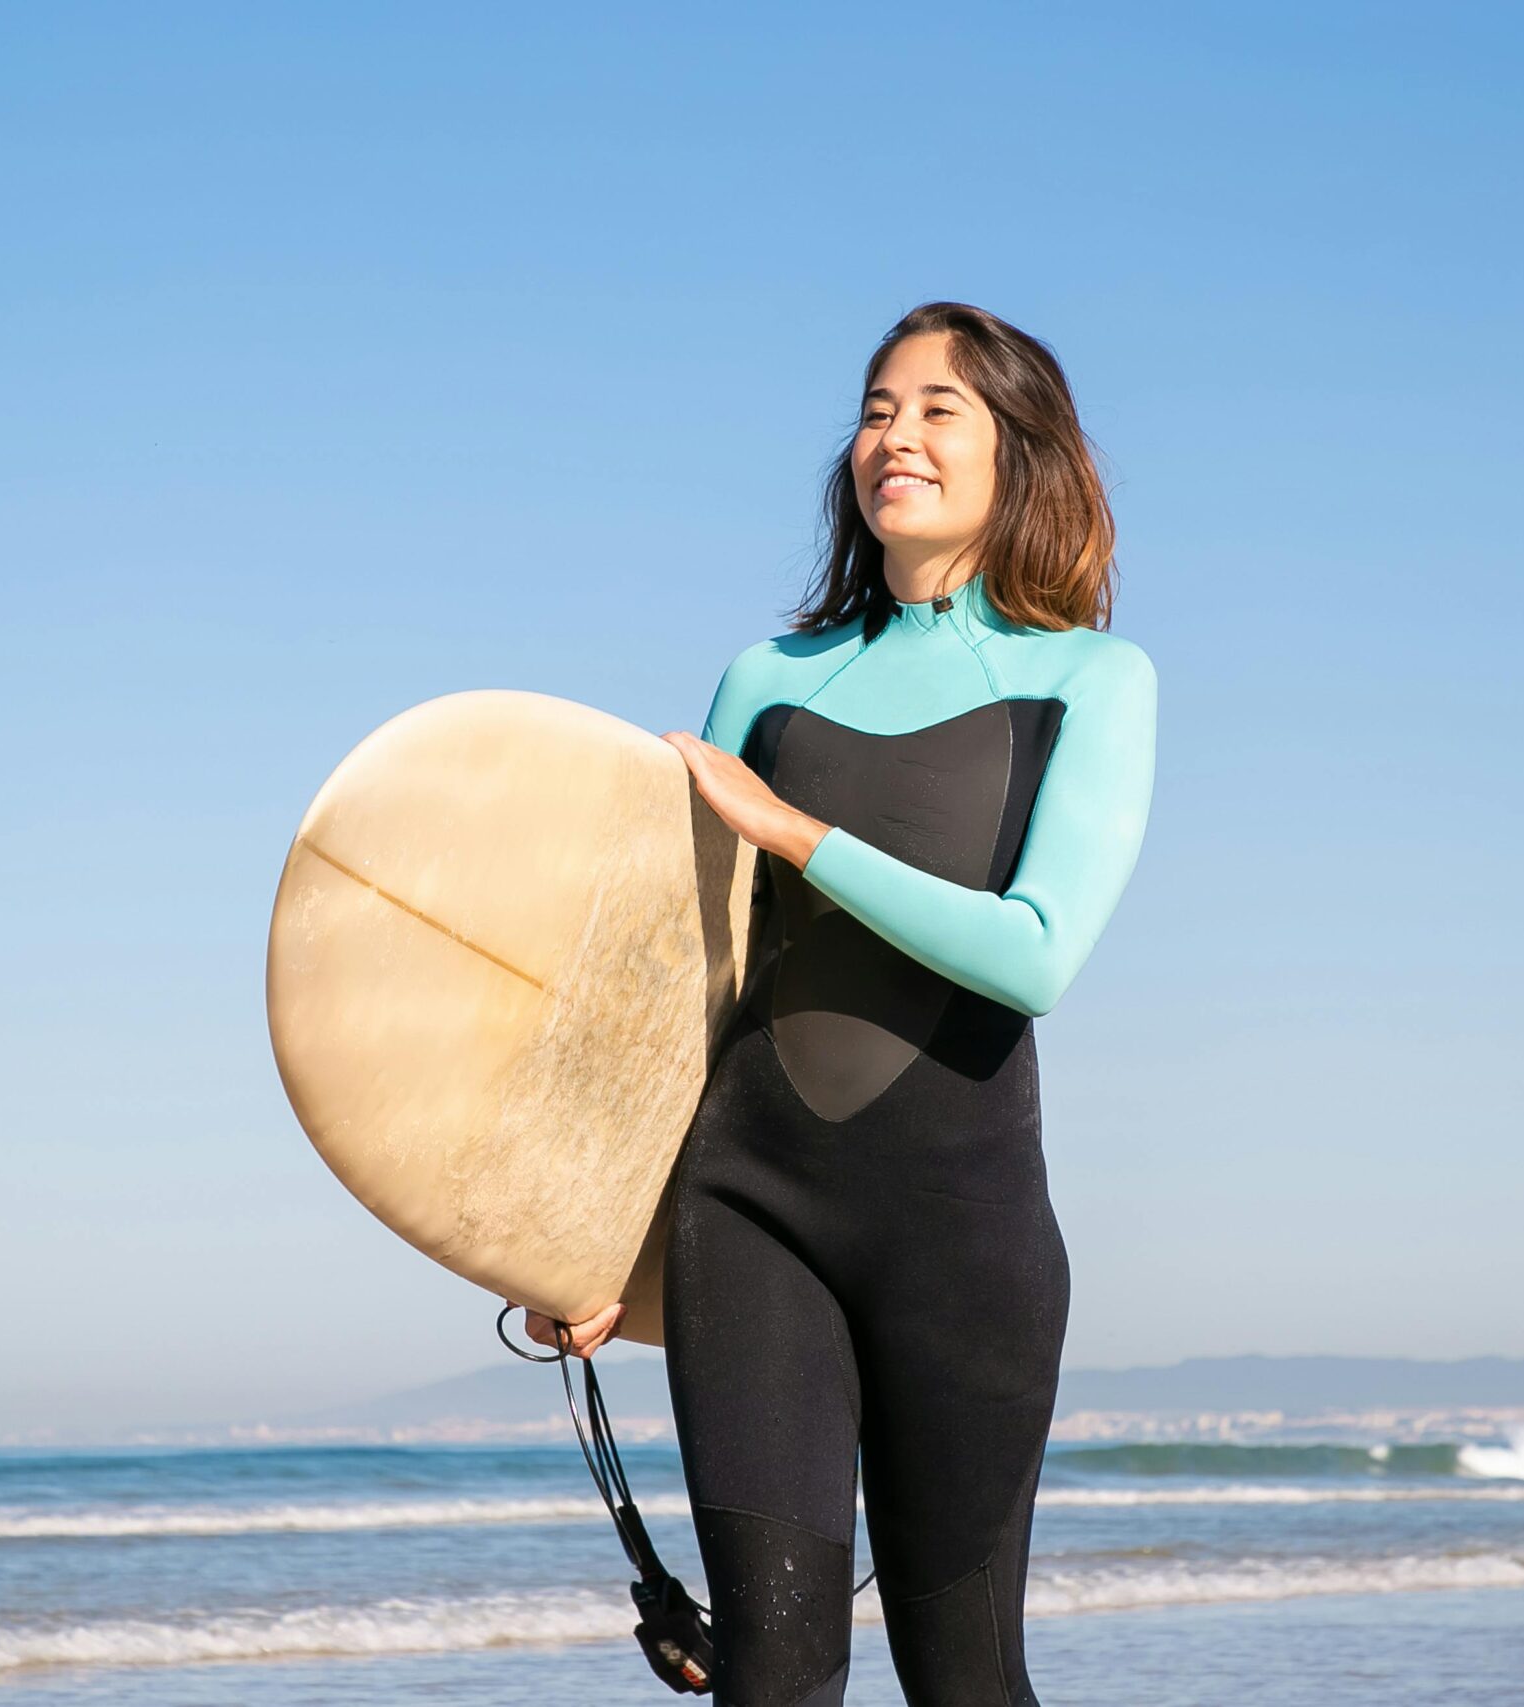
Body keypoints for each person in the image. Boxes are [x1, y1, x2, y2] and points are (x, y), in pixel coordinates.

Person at [527, 300, 1158, 1705]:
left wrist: (800, 836)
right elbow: (671, 993)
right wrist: (584, 1234)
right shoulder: (768, 684)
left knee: (966, 1677)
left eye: (939, 408)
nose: (897, 436)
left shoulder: (1091, 682)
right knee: (775, 1673)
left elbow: (1035, 953)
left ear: (1020, 454)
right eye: (878, 408)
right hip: (753, 1212)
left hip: (965, 1241)